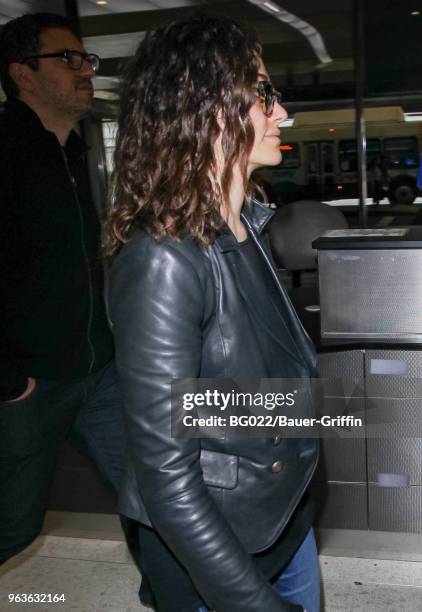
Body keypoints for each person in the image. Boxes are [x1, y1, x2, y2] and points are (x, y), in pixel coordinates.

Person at [105, 15, 320, 612]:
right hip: (217, 558)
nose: (281, 113)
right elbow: (167, 478)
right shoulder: (162, 260)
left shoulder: (247, 223)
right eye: (263, 95)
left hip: (282, 520)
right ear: (205, 109)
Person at [0, 15, 152, 603]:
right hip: (31, 383)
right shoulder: (7, 153)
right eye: (69, 59)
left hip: (99, 372)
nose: (86, 70)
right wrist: (11, 382)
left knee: (154, 491)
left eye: (88, 59)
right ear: (22, 74)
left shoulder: (74, 151)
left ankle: (175, 593)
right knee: (14, 523)